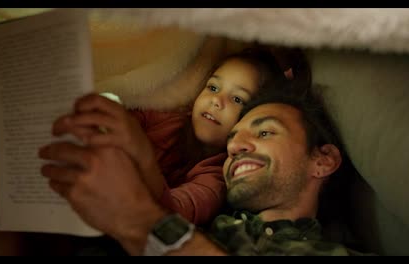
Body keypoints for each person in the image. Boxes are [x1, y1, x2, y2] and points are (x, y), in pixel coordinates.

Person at [39, 77, 363, 256]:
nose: (233, 147)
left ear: (323, 160)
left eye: (265, 132)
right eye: (233, 138)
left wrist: (138, 220)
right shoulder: (214, 229)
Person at [49, 48, 286, 226]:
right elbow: (128, 118)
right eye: (213, 88)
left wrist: (141, 157)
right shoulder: (169, 116)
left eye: (237, 99)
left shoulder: (216, 179)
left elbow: (175, 214)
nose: (216, 101)